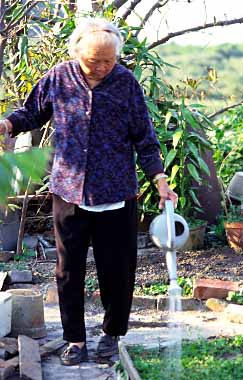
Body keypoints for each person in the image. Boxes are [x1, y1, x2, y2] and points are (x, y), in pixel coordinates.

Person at [0, 18, 177, 366]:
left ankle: (112, 335)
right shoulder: (59, 77)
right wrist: (6, 123)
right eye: (93, 60)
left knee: (118, 269)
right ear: (77, 52)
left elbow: (145, 137)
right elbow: (32, 113)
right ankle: (75, 339)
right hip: (69, 191)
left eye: (108, 61)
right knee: (68, 271)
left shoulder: (126, 84)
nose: (101, 67)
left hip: (116, 192)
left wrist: (159, 179)